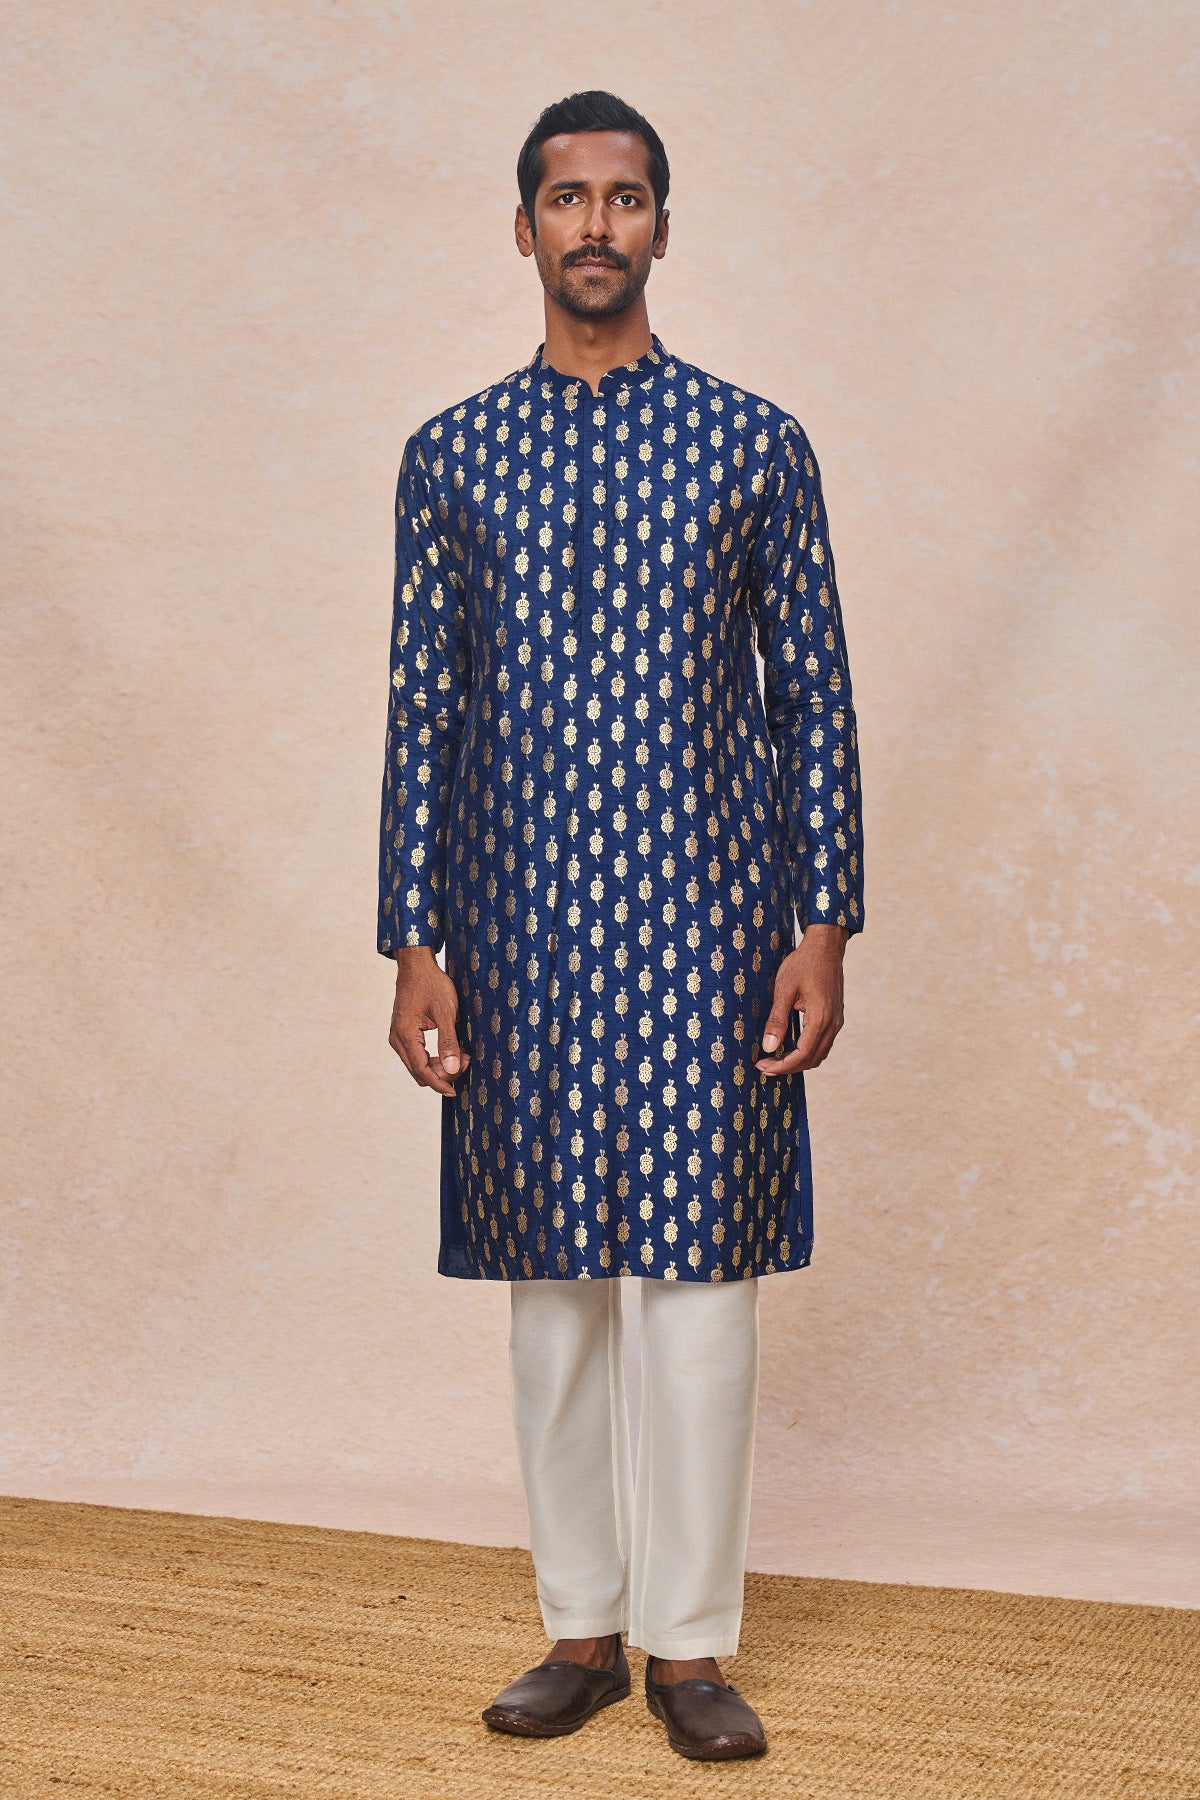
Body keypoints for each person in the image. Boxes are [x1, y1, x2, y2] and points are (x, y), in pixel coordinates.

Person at [378, 89, 864, 1763]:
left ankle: (693, 1647)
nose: (598, 224)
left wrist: (823, 919)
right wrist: (414, 936)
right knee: (554, 1289)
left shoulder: (753, 444)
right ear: (524, 227)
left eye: (627, 197)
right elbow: (422, 707)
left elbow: (813, 698)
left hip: (713, 917)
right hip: (514, 922)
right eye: (569, 198)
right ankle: (580, 1629)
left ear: (664, 224)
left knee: (703, 1283)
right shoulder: (452, 457)